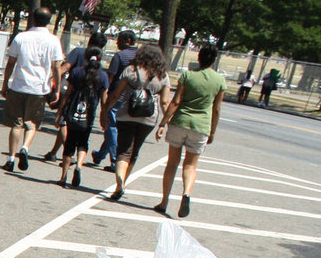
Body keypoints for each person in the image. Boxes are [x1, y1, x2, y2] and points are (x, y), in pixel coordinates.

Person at [154, 45, 227, 218]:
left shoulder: (188, 75)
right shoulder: (219, 80)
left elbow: (176, 101)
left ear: (199, 58)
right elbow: (216, 109)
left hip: (180, 122)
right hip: (201, 126)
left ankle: (164, 201)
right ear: (214, 59)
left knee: (172, 163)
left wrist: (163, 123)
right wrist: (212, 131)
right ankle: (186, 193)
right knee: (191, 165)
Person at [101, 42, 171, 205]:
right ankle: (124, 180)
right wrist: (163, 124)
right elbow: (165, 102)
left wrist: (105, 111)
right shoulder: (163, 76)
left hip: (126, 114)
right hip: (148, 118)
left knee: (123, 150)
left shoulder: (131, 70)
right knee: (135, 151)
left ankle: (119, 182)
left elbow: (116, 94)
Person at [0, 6, 66, 173]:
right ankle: (26, 147)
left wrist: (5, 82)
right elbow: (57, 66)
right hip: (39, 87)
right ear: (49, 21)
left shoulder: (21, 37)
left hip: (19, 84)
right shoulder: (53, 40)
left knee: (16, 124)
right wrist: (56, 88)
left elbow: (11, 62)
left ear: (33, 19)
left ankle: (11, 158)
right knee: (32, 123)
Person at [41, 32, 107, 161]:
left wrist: (51, 80)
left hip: (73, 93)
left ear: (89, 40)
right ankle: (54, 152)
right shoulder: (98, 59)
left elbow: (64, 68)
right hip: (89, 100)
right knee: (77, 127)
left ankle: (68, 154)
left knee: (65, 123)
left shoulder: (79, 51)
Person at [54, 49, 109, 190]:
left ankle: (63, 176)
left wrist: (61, 111)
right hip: (89, 114)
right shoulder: (102, 76)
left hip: (73, 111)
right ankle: (78, 166)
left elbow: (69, 92)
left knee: (70, 143)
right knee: (83, 142)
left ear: (85, 57)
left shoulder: (77, 72)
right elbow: (104, 99)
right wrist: (104, 116)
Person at [93, 30, 138, 169]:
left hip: (117, 95)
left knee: (111, 126)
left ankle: (115, 160)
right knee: (114, 128)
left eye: (120, 40)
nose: (117, 42)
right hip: (134, 98)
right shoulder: (141, 56)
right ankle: (101, 154)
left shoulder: (119, 56)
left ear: (128, 41)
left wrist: (105, 95)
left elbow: (110, 77)